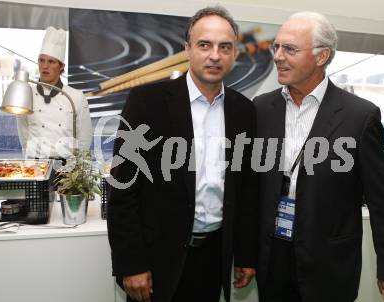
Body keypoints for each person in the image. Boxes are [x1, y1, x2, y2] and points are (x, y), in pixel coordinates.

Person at [107, 6, 257, 302]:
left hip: (214, 259)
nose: (215, 55)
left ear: (234, 54)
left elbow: (246, 191)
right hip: (155, 263)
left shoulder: (243, 111)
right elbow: (123, 190)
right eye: (204, 45)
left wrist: (245, 254)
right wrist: (132, 263)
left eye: (224, 47)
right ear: (187, 49)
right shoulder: (146, 103)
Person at [253, 11, 384, 302]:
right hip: (272, 259)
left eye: (290, 49)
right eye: (277, 47)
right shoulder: (262, 108)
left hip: (329, 264)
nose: (278, 56)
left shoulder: (359, 117)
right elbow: (251, 188)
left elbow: (381, 199)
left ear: (322, 56)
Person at [17, 26, 92, 160]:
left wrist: (77, 170)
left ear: (62, 66)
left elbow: (84, 138)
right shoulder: (27, 94)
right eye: (41, 60)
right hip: (35, 165)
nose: (45, 66)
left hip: (66, 168)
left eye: (51, 61)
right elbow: (23, 133)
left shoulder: (76, 97)